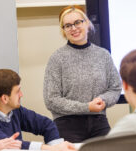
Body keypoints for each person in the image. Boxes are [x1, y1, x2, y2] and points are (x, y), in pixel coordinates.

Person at [43, 5, 122, 143]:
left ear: (87, 23)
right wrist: (86, 107)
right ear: (63, 30)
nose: (73, 28)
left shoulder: (103, 55)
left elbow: (115, 88)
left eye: (77, 22)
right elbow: (51, 99)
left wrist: (102, 101)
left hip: (99, 122)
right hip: (67, 124)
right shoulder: (57, 58)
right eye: (67, 25)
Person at [0, 69, 74, 151]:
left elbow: (46, 124)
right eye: (17, 92)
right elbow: (9, 146)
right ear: (4, 98)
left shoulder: (16, 110)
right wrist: (51, 149)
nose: (21, 95)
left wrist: (57, 148)